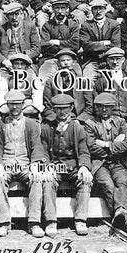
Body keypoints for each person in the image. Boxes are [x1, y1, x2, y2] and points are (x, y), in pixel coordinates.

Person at [0, 90, 47, 237]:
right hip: (7, 163)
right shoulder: (0, 124)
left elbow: (37, 146)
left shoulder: (31, 124)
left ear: (23, 105)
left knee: (37, 177)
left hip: (25, 163)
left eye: (17, 104)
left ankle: (34, 223)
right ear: (7, 105)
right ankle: (4, 223)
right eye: (11, 104)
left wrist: (35, 164)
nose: (14, 108)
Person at [82, 93, 127, 232]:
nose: (104, 110)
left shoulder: (120, 122)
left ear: (112, 107)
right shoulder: (90, 123)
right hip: (100, 163)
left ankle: (120, 214)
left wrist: (105, 145)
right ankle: (122, 212)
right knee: (107, 183)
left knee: (121, 182)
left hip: (118, 162)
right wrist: (114, 144)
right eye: (100, 107)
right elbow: (91, 146)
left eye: (107, 107)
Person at [41, 94, 92, 237]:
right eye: (58, 109)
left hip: (73, 167)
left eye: (65, 109)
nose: (62, 112)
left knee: (85, 180)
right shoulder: (46, 128)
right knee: (47, 180)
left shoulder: (78, 128)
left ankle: (81, 220)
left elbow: (84, 152)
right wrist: (46, 166)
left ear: (71, 108)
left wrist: (84, 167)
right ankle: (51, 221)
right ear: (53, 110)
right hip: (55, 166)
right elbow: (43, 152)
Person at [81, 47, 127, 122]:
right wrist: (105, 118)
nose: (115, 62)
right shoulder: (101, 81)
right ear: (108, 61)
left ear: (123, 60)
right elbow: (97, 105)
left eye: (118, 59)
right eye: (112, 59)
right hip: (108, 119)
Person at [39, 0, 81, 82]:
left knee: (78, 80)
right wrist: (66, 44)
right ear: (53, 10)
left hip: (70, 59)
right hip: (51, 59)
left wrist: (56, 42)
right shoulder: (47, 26)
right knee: (43, 80)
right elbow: (44, 45)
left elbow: (75, 44)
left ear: (67, 9)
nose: (60, 11)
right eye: (57, 8)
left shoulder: (73, 25)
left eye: (63, 8)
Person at [0, 2, 41, 74]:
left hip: (26, 63)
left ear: (21, 14)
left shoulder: (30, 27)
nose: (14, 18)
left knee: (30, 78)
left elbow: (36, 48)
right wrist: (4, 61)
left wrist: (26, 57)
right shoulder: (0, 29)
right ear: (7, 17)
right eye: (11, 15)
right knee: (2, 80)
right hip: (7, 63)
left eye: (17, 14)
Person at [80, 0, 121, 81]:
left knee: (114, 81)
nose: (98, 12)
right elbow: (86, 46)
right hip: (92, 61)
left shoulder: (114, 25)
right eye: (95, 9)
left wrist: (95, 45)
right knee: (87, 80)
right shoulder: (86, 25)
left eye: (100, 8)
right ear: (91, 10)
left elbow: (116, 45)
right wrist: (104, 43)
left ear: (105, 10)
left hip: (110, 61)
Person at [42, 49, 86, 122]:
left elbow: (89, 106)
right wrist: (56, 120)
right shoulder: (50, 82)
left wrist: (79, 120)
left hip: (78, 118)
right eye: (63, 61)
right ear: (58, 63)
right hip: (57, 118)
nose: (66, 63)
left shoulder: (83, 81)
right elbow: (47, 107)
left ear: (73, 62)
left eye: (68, 60)